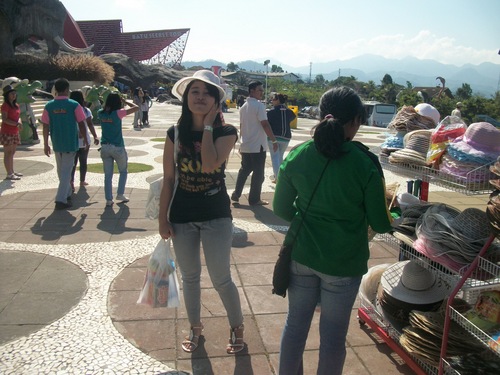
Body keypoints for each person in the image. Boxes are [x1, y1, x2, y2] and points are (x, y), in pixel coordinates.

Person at [273, 87, 394, 375]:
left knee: (295, 326)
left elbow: (281, 208)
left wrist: (308, 221)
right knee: (332, 336)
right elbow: (380, 224)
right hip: (343, 264)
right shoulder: (365, 163)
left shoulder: (299, 154)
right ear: (354, 121)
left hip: (301, 256)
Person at [158, 70, 244, 355]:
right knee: (190, 276)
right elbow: (169, 179)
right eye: (195, 91)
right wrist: (162, 218)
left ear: (216, 100)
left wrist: (208, 126)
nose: (200, 97)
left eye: (207, 93)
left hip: (216, 214)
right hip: (182, 214)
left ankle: (236, 326)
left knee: (221, 277)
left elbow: (209, 165)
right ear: (186, 96)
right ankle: (195, 327)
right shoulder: (175, 133)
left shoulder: (227, 132)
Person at [41, 78, 89, 210]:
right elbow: (81, 123)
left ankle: (66, 193)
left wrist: (45, 143)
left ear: (55, 90)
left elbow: (45, 126)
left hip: (57, 142)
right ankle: (61, 199)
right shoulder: (74, 105)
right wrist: (85, 139)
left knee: (61, 170)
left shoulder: (49, 106)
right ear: (67, 90)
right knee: (66, 172)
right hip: (70, 143)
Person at [231, 81, 278, 205]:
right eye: (260, 90)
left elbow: (241, 126)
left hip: (246, 144)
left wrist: (241, 143)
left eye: (262, 90)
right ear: (252, 91)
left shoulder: (243, 107)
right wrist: (273, 139)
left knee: (244, 170)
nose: (262, 92)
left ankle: (236, 194)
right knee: (259, 174)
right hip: (258, 146)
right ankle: (254, 199)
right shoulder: (259, 106)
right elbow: (265, 124)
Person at [98, 93, 138, 207]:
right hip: (117, 147)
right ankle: (120, 194)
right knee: (123, 171)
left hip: (105, 146)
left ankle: (108, 199)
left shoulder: (101, 113)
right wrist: (126, 102)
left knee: (108, 175)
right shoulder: (118, 113)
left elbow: (103, 109)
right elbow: (136, 108)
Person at [69, 90, 100, 191]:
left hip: (72, 140)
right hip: (84, 140)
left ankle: (71, 181)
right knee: (83, 161)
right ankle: (82, 180)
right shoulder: (86, 110)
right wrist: (95, 136)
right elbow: (90, 124)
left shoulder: (69, 110)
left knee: (72, 163)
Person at [267, 93, 296, 183]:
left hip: (274, 137)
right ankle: (280, 175)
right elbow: (293, 117)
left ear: (278, 100)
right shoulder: (289, 111)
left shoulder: (271, 111)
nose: (272, 101)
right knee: (280, 156)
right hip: (286, 137)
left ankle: (278, 178)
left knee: (275, 157)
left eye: (273, 99)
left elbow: (267, 123)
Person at [1, 85, 22, 180]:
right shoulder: (5, 105)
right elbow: (4, 119)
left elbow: (18, 117)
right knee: (8, 152)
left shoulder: (16, 105)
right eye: (12, 93)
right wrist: (16, 124)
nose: (14, 95)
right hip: (7, 132)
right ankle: (9, 173)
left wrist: (19, 123)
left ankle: (12, 171)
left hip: (14, 131)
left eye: (14, 93)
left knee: (12, 152)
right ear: (7, 95)